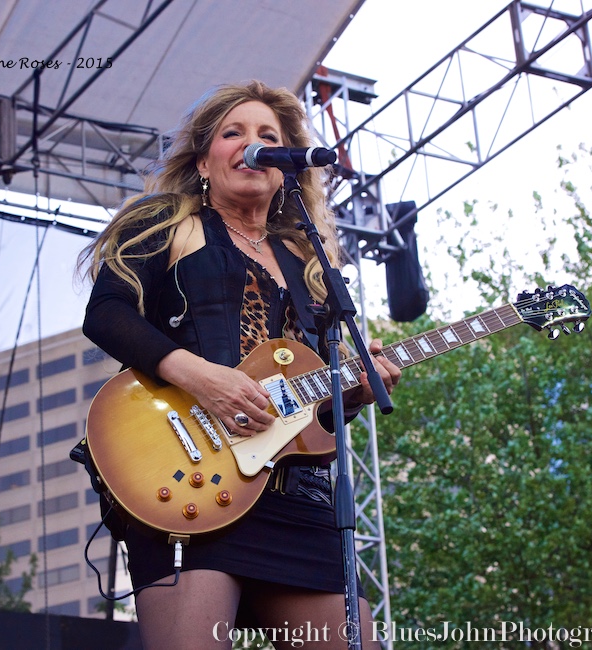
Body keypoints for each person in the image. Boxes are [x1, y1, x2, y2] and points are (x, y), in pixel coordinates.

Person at [80, 80, 400, 649]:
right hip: (190, 472)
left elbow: (303, 406)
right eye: (234, 133)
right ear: (204, 160)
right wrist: (203, 377)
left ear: (284, 170)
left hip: (294, 493)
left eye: (268, 137)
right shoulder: (166, 224)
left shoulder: (307, 262)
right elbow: (106, 314)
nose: (252, 144)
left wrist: (351, 391)